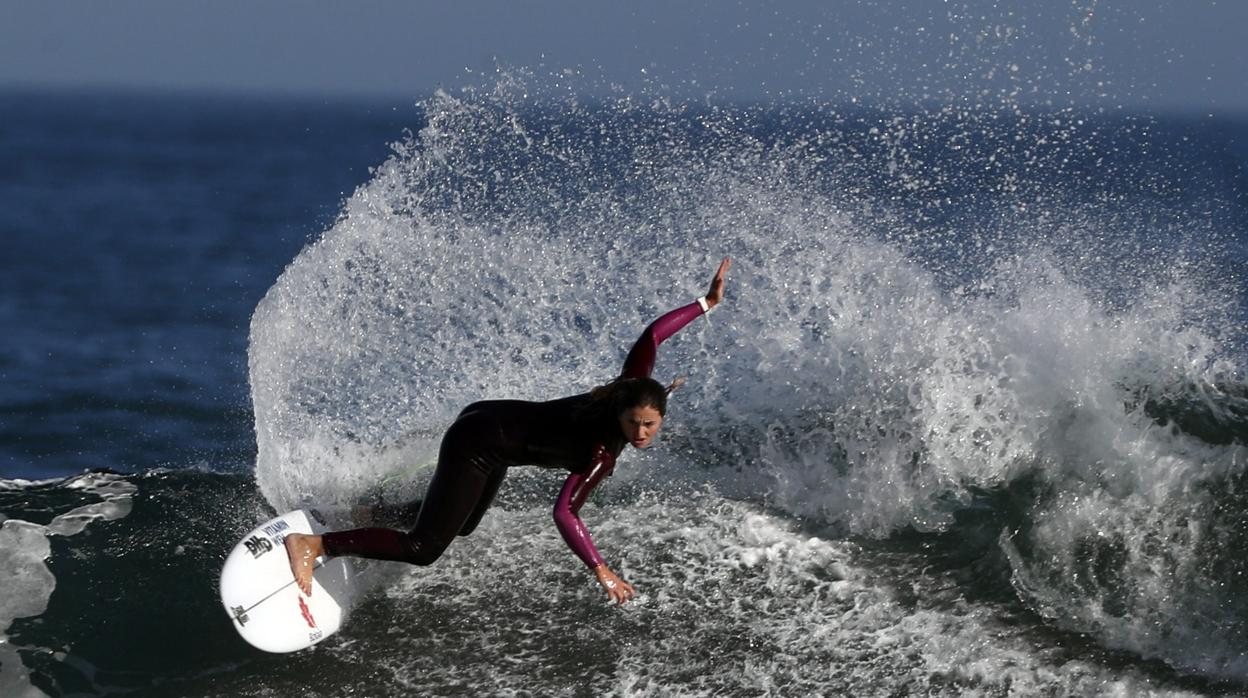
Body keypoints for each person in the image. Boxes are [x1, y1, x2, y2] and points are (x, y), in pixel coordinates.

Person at [284, 258, 731, 604]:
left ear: (661, 417)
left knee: (464, 524)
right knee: (424, 549)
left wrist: (705, 304)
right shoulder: (602, 449)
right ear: (621, 413)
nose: (639, 431)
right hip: (479, 443)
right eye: (633, 422)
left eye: (648, 425)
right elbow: (565, 514)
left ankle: (373, 512)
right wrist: (600, 568)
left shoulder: (631, 388)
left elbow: (653, 336)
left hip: (492, 425)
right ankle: (315, 544)